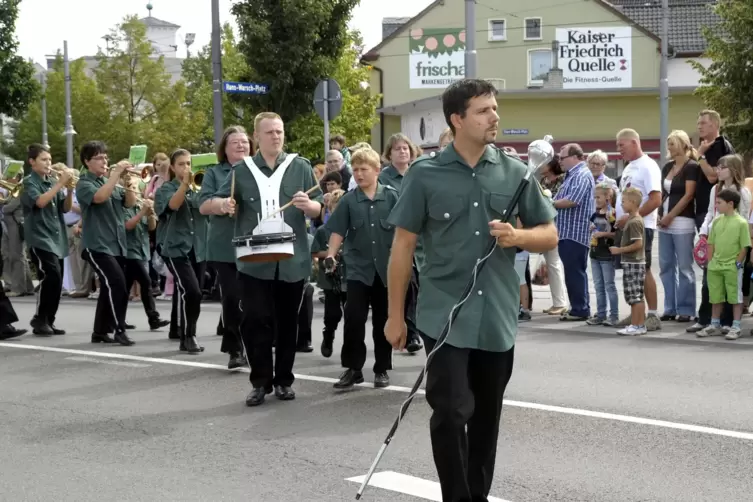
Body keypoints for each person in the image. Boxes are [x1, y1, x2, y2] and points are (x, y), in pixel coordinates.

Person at [385, 79, 558, 502]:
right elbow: (403, 247)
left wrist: (519, 238)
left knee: (485, 419)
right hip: (444, 315)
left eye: (495, 108)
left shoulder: (516, 172)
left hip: (497, 318)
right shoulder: (425, 175)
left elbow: (549, 232)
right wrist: (394, 315)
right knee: (450, 410)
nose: (494, 117)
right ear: (457, 119)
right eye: (483, 111)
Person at [209, 111, 323, 407]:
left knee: (288, 323)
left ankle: (284, 380)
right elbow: (208, 203)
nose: (276, 136)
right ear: (256, 137)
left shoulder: (300, 166)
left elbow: (320, 205)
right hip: (253, 262)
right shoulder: (242, 171)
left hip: (291, 261)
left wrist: (310, 205)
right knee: (255, 320)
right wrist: (224, 204)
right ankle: (260, 381)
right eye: (269, 132)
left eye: (279, 131)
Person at [325, 147, 399, 389]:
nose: (358, 174)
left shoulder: (391, 197)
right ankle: (353, 368)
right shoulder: (348, 200)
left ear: (377, 170)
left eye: (364, 169)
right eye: (355, 170)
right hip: (358, 269)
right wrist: (331, 255)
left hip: (386, 270)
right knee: (354, 319)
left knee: (382, 320)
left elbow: (405, 231)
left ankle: (382, 369)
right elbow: (338, 231)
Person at [198, 125, 250, 369]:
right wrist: (221, 204)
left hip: (252, 243)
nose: (241, 146)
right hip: (224, 246)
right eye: (235, 143)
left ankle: (253, 343)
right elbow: (202, 205)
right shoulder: (214, 173)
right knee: (231, 297)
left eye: (245, 142)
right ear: (224, 149)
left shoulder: (257, 170)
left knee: (253, 299)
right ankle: (234, 349)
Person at [76, 141, 137, 346]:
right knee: (117, 284)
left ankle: (100, 332)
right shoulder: (84, 183)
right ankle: (119, 329)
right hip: (96, 244)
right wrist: (115, 175)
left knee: (110, 287)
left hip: (117, 243)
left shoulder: (111, 182)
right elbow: (100, 197)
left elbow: (129, 203)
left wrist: (129, 184)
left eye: (105, 157)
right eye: (99, 158)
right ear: (87, 161)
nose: (104, 161)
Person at [155, 149, 208, 354]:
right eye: (181, 164)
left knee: (194, 293)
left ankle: (183, 332)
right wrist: (185, 185)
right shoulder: (165, 189)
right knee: (191, 291)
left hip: (198, 247)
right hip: (175, 247)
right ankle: (189, 336)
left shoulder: (198, 188)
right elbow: (173, 206)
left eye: (188, 164)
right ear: (172, 167)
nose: (186, 168)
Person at [21, 146, 73, 335]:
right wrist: (59, 184)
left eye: (50, 160)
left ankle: (49, 320)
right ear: (32, 162)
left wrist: (68, 191)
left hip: (55, 237)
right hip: (39, 237)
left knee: (57, 281)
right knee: (51, 275)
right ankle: (39, 318)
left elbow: (65, 209)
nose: (48, 163)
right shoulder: (28, 182)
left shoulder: (51, 181)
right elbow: (40, 202)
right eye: (44, 159)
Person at [615, 128, 663, 331]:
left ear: (634, 142)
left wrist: (633, 218)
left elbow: (655, 198)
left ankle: (652, 315)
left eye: (621, 145)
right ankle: (637, 313)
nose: (619, 150)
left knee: (644, 269)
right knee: (632, 270)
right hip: (627, 227)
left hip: (642, 227)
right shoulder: (629, 167)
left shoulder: (648, 166)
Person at [697, 189, 751, 340]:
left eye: (719, 203)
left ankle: (736, 325)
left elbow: (744, 246)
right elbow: (711, 243)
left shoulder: (741, 223)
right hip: (716, 266)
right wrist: (710, 261)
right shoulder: (717, 221)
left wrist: (737, 263)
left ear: (730, 204)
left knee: (735, 297)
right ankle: (714, 324)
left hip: (732, 267)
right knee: (715, 296)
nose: (716, 206)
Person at [658, 130, 699, 323]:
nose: (669, 147)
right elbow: (662, 193)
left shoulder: (692, 167)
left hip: (682, 221)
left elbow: (688, 195)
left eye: (672, 143)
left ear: (683, 144)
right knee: (666, 265)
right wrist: (661, 215)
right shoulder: (667, 167)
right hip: (664, 220)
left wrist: (671, 216)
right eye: (668, 144)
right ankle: (670, 307)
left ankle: (686, 308)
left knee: (684, 266)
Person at [122, 174, 168, 331]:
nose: (135, 192)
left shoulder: (140, 204)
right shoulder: (124, 207)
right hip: (129, 252)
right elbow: (127, 225)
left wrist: (150, 215)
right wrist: (142, 213)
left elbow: (151, 228)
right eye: (132, 188)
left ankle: (119, 319)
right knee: (147, 283)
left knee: (125, 288)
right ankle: (153, 317)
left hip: (142, 251)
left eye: (136, 188)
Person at [311, 189, 347, 357]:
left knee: (353, 315)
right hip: (330, 278)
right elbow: (315, 252)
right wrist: (332, 252)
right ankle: (328, 335)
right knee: (333, 314)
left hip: (351, 276)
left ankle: (351, 347)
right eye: (335, 208)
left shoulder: (353, 228)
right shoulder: (324, 230)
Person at [609, 187, 647, 335]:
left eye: (623, 202)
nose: (622, 205)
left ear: (632, 202)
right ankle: (636, 324)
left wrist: (619, 250)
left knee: (635, 296)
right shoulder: (631, 220)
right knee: (634, 295)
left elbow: (638, 244)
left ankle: (638, 325)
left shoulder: (635, 222)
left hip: (634, 263)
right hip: (632, 263)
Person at [587, 183, 619, 326]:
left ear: (608, 197)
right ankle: (601, 314)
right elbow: (594, 229)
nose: (596, 199)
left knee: (609, 285)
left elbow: (617, 234)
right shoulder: (595, 213)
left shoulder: (612, 214)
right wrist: (592, 229)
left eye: (598, 197)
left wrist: (603, 233)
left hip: (606, 254)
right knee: (598, 286)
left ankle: (614, 315)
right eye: (595, 197)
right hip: (595, 253)